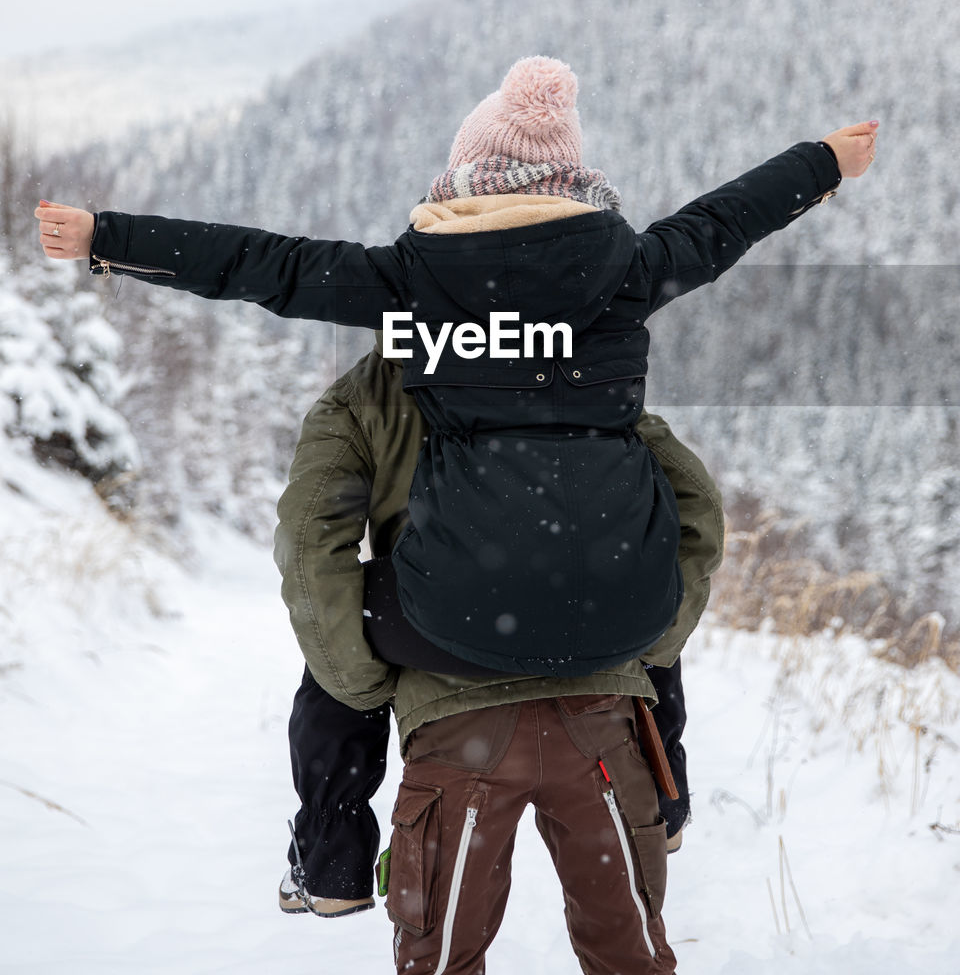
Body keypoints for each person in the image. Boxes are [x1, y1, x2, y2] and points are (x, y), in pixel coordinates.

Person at [33, 56, 878, 685]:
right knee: (658, 578)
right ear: (575, 183)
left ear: (463, 177)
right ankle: (670, 798)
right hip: (625, 610)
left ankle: (329, 858)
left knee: (335, 636)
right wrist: (825, 162)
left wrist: (107, 238)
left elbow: (266, 265)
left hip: (457, 615)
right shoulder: (629, 271)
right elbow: (726, 219)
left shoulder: (410, 280)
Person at [273, 338, 721, 971]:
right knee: (632, 961)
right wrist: (647, 643)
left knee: (440, 962)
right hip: (600, 713)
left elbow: (310, 544)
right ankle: (667, 802)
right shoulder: (576, 362)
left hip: (455, 722)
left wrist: (363, 683)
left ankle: (330, 861)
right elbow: (695, 505)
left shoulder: (370, 390)